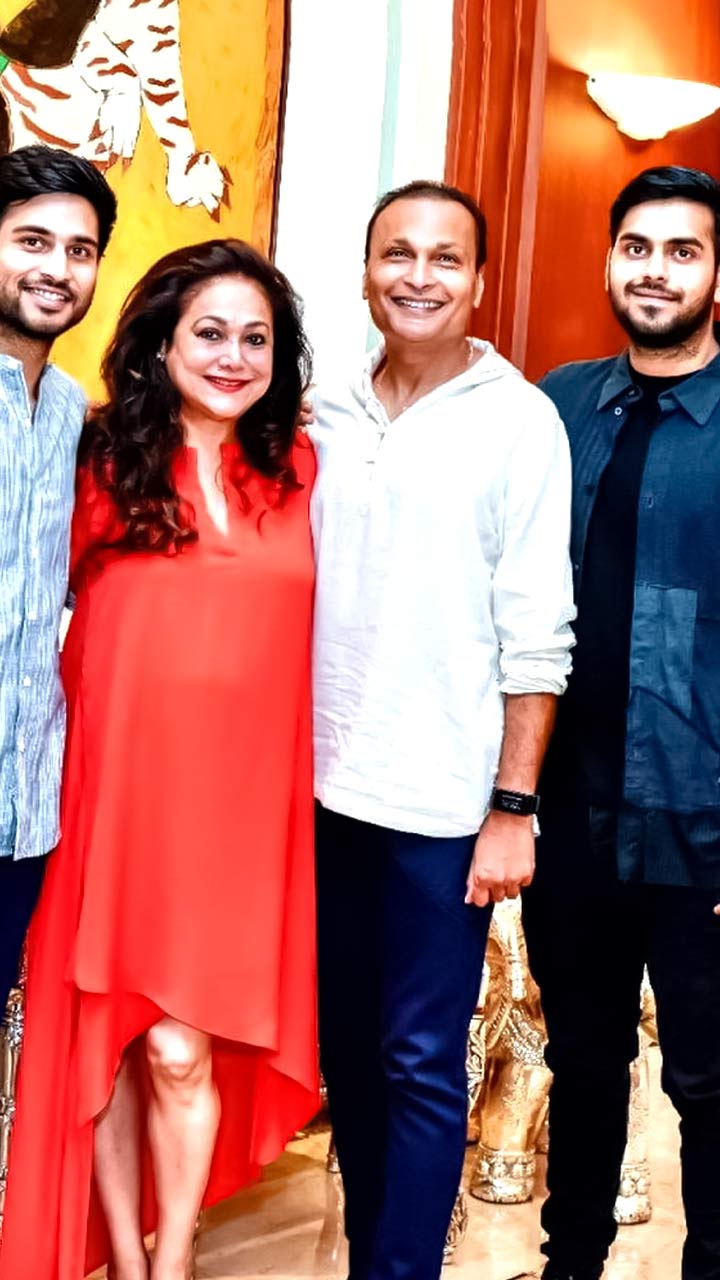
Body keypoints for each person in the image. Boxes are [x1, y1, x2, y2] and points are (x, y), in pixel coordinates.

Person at [0, 240, 319, 1280]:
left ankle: (171, 1256)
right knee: (113, 1046)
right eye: (210, 332)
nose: (233, 356)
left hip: (240, 820)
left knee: (183, 1052)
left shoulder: (302, 470)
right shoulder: (99, 463)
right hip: (117, 805)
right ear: (162, 345)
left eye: (256, 338)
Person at [310, 179, 575, 1280]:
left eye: (444, 258)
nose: (418, 276)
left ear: (478, 280)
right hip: (319, 793)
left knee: (418, 1062)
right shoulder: (323, 406)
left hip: (440, 805)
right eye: (397, 253)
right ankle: (375, 1257)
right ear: (367, 270)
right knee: (346, 1058)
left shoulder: (520, 420)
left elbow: (538, 632)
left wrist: (512, 805)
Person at [521, 166, 720, 1280]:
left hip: (704, 816)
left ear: (716, 273)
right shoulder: (555, 407)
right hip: (572, 809)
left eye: (682, 250)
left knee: (710, 1081)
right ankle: (572, 1265)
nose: (654, 270)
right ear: (609, 260)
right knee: (584, 1060)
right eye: (637, 246)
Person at [0, 144, 116, 1016]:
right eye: (32, 242)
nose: (57, 269)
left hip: (23, 813)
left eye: (80, 250)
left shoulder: (73, 411)